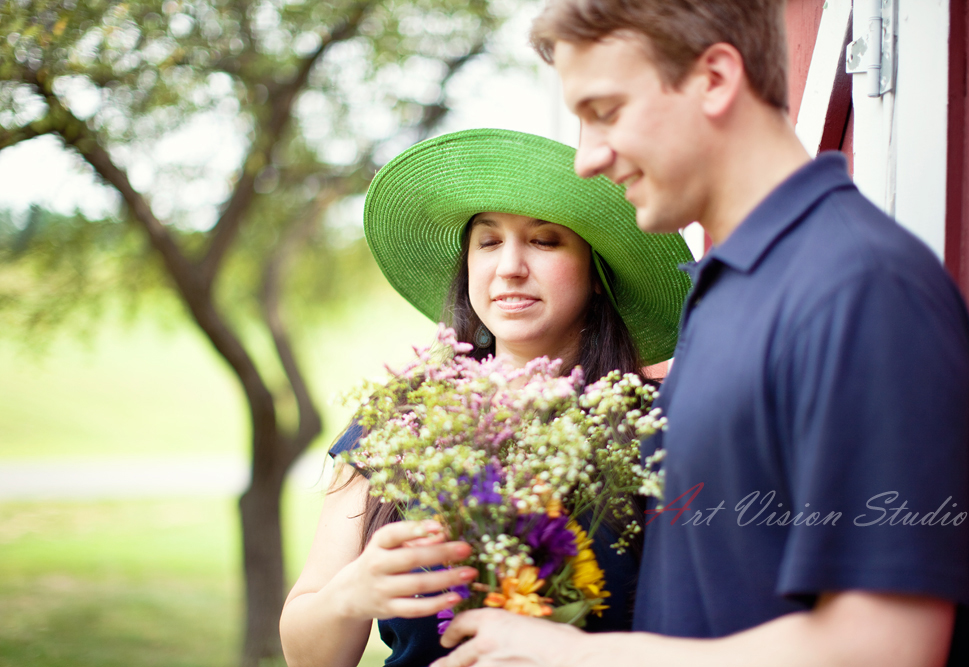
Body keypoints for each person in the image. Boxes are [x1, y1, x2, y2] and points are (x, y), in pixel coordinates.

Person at [431, 2, 969, 667]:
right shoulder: (729, 288)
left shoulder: (859, 284)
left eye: (604, 112)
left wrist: (580, 657)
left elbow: (884, 646)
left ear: (714, 78)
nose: (587, 159)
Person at [278, 128, 694, 667]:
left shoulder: (663, 427)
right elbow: (309, 659)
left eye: (544, 241)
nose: (510, 267)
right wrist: (350, 593)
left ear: (597, 274)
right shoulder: (402, 423)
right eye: (489, 242)